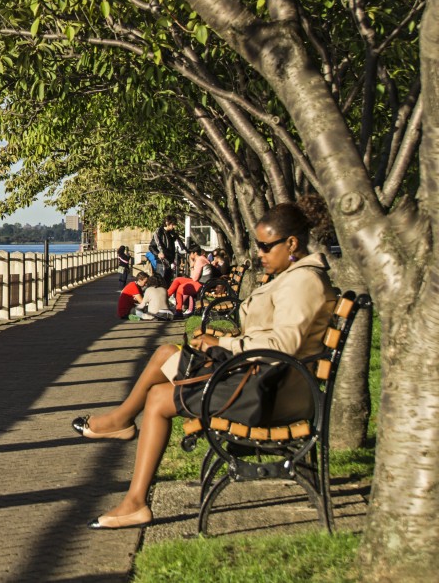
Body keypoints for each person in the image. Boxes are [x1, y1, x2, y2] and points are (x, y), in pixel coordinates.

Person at [71, 201, 336, 529]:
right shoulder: (294, 277)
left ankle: (129, 469)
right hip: (264, 380)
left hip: (271, 394)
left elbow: (282, 346)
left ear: (292, 244)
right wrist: (222, 341)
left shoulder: (303, 282)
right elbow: (274, 337)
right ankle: (126, 451)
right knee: (167, 354)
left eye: (266, 246)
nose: (260, 254)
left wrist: (224, 344)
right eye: (258, 246)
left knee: (158, 393)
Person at [147, 216, 179, 281]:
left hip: (170, 261)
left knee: (168, 281)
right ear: (167, 223)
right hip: (162, 261)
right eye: (173, 224)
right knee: (161, 281)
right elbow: (151, 246)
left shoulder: (170, 233)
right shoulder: (159, 233)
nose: (174, 227)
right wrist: (158, 253)